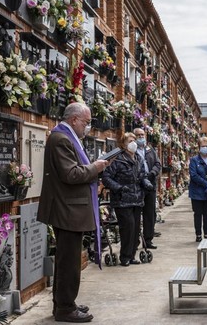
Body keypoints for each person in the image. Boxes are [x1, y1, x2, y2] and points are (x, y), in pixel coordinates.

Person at [38, 103, 109, 323]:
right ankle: (65, 308)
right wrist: (96, 168)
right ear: (74, 120)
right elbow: (71, 174)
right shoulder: (61, 139)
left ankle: (63, 303)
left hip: (69, 208)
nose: (87, 127)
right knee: (69, 262)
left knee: (66, 259)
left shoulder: (66, 138)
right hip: (66, 209)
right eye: (86, 123)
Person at [101, 132, 152, 266]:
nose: (133, 142)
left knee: (135, 229)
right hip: (122, 199)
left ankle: (132, 255)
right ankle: (125, 256)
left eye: (134, 139)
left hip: (137, 198)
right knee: (128, 227)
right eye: (130, 140)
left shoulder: (138, 159)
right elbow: (106, 177)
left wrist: (146, 183)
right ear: (124, 144)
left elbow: (142, 176)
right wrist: (118, 187)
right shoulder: (117, 160)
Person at [133, 127, 162, 249]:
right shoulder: (132, 151)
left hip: (150, 184)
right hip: (137, 185)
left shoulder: (150, 150)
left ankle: (148, 239)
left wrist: (153, 173)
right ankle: (134, 241)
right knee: (136, 214)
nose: (141, 137)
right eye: (138, 135)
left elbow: (157, 163)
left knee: (149, 214)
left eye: (142, 135)